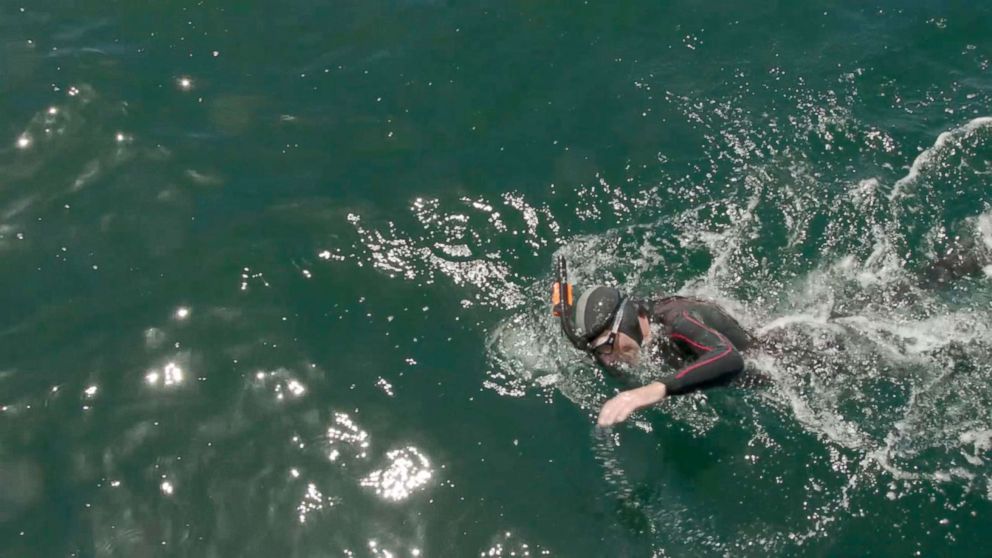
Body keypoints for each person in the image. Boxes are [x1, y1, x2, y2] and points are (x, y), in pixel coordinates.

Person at [552, 258, 755, 427]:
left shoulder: (676, 320)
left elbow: (731, 358)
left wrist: (652, 391)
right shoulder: (624, 344)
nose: (608, 361)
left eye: (607, 346)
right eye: (598, 353)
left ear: (627, 321)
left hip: (774, 365)